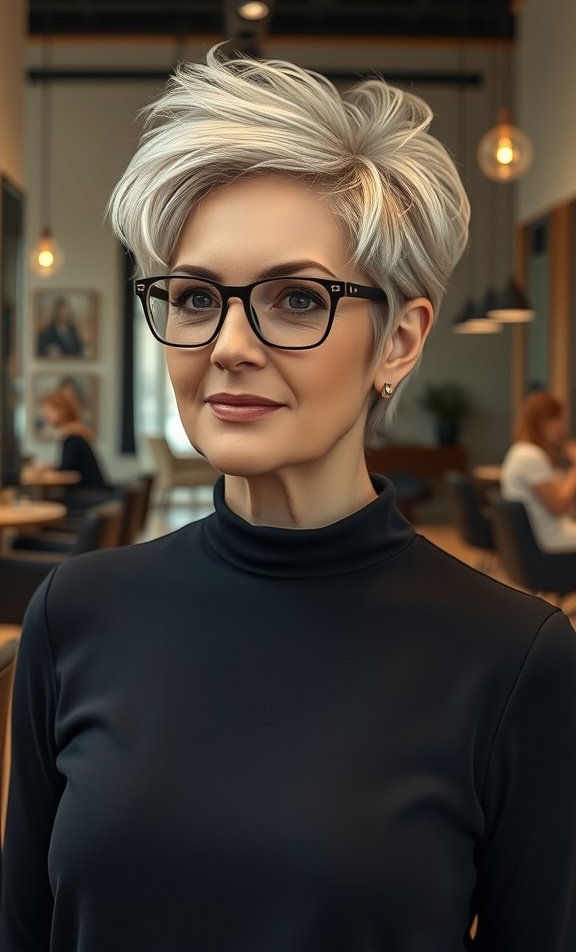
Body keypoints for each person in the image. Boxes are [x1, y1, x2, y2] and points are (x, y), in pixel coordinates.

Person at [2, 49, 576, 951]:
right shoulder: (76, 614)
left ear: (399, 341)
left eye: (297, 298)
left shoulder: (513, 661)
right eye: (195, 297)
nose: (228, 343)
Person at [501, 390, 576, 551]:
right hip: (550, 538)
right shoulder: (530, 456)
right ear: (541, 422)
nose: (562, 428)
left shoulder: (520, 451)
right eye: (557, 420)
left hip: (541, 534)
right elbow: (559, 506)